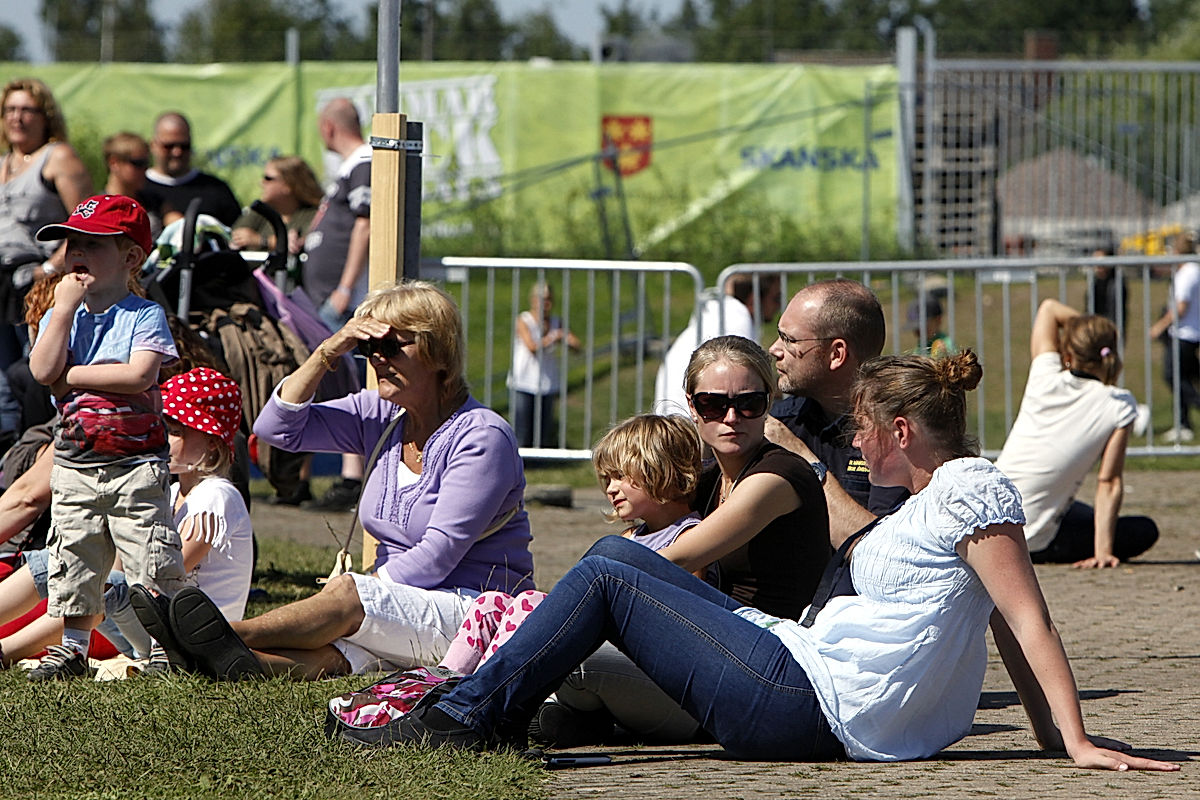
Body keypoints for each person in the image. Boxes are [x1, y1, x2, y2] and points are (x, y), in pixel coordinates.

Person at [390, 350, 1179, 775]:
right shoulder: (928, 506)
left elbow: (1025, 617)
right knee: (615, 567)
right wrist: (1046, 734)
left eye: (864, 430)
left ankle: (462, 719)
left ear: (901, 432)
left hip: (814, 703)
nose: (857, 444)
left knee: (605, 567)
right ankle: (481, 711)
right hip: (804, 670)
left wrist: (1070, 741)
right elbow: (879, 548)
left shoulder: (972, 489)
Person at [150, 280, 535, 681]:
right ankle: (210, 661)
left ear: (437, 350)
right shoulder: (382, 417)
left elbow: (438, 553)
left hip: (479, 615)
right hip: (403, 608)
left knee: (350, 597)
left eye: (390, 346)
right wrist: (327, 351)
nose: (377, 360)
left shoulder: (481, 436)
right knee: (333, 656)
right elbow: (276, 429)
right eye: (369, 348)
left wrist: (358, 592)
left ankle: (210, 636)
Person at [530, 335, 830, 747]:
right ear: (692, 405)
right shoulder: (705, 481)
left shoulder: (778, 477)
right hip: (707, 655)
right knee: (580, 609)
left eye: (749, 403)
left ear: (770, 401)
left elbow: (674, 558)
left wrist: (571, 606)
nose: (731, 417)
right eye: (713, 404)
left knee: (574, 647)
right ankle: (563, 719)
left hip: (756, 675)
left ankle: (473, 712)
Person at [329, 413, 705, 734]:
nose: (610, 488)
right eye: (606, 478)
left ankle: (484, 701)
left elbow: (685, 627)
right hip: (608, 658)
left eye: (622, 477)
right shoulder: (630, 537)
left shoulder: (692, 538)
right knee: (492, 603)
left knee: (532, 603)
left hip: (656, 678)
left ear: (663, 470)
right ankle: (449, 685)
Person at [26, 194, 184, 681]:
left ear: (131, 257)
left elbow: (139, 376)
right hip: (75, 462)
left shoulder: (144, 315)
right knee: (75, 552)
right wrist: (63, 312)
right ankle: (71, 647)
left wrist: (70, 378)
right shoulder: (62, 315)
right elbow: (41, 369)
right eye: (73, 242)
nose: (76, 253)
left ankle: (163, 647)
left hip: (136, 466)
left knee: (148, 555)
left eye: (92, 244)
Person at [0, 367, 253, 671]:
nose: (161, 436)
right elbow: (120, 564)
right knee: (65, 560)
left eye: (175, 430)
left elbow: (161, 577)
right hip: (155, 631)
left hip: (194, 643)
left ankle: (6, 652)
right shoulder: (172, 492)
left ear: (212, 442)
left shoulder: (217, 495)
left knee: (102, 583)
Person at [995, 299, 1158, 568]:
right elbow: (1109, 481)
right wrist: (1102, 551)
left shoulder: (1044, 376)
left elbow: (1048, 308)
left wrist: (1088, 330)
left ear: (1068, 357)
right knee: (1143, 530)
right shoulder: (1119, 404)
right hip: (1031, 539)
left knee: (1079, 512)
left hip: (991, 514)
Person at [765, 278, 909, 545]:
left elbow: (882, 552)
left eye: (790, 339)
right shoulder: (780, 423)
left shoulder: (896, 436)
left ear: (836, 354)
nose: (774, 349)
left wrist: (800, 458)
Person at [300, 98, 371, 512]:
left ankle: (351, 477)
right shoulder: (351, 167)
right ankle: (344, 476)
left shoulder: (363, 161)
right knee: (339, 381)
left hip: (342, 299)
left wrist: (345, 287)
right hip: (328, 297)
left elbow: (364, 222)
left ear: (328, 128)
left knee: (347, 384)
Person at [0, 77, 93, 368]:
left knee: (33, 375)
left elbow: (88, 224)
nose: (17, 117)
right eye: (10, 109)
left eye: (27, 110)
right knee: (3, 387)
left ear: (46, 117)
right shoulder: (3, 162)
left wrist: (49, 270)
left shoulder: (58, 157)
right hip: (3, 286)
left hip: (38, 285)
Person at [653, 273, 781, 415]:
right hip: (694, 416)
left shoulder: (720, 313)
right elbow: (746, 374)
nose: (779, 306)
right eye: (776, 298)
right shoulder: (736, 318)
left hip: (684, 411)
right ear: (753, 300)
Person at [507, 282, 580, 448]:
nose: (546, 304)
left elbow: (576, 344)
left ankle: (542, 462)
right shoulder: (524, 320)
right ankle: (522, 462)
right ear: (533, 300)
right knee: (522, 427)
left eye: (549, 300)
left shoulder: (556, 322)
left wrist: (567, 341)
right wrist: (554, 337)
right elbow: (532, 346)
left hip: (547, 382)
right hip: (523, 381)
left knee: (543, 428)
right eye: (542, 299)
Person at [142, 112, 241, 228]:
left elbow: (237, 235)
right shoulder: (139, 189)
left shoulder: (215, 189)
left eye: (184, 146)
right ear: (153, 145)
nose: (177, 152)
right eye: (169, 146)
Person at [1149, 232, 1200, 444]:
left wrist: (1159, 327)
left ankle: (1190, 415)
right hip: (1190, 332)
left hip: (1184, 333)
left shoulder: (1187, 273)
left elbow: (1180, 306)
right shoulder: (1193, 270)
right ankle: (1184, 424)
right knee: (1185, 378)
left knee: (1173, 376)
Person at [230, 155, 323, 255]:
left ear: (288, 185)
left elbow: (304, 243)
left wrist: (262, 241)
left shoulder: (313, 215)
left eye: (268, 178)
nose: (262, 183)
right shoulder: (260, 211)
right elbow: (236, 236)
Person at [101, 131, 151, 201]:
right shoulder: (98, 208)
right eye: (138, 163)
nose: (144, 169)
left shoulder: (156, 203)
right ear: (114, 163)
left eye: (147, 163)